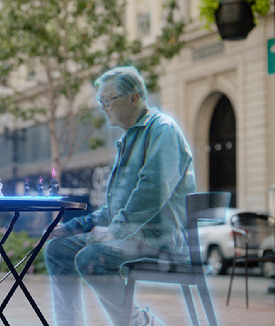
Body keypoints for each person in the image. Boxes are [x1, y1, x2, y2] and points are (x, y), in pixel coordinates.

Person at [44, 66, 196, 326]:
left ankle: (140, 323)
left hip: (160, 240)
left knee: (91, 258)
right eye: (100, 101)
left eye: (107, 100)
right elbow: (111, 209)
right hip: (132, 236)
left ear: (133, 97)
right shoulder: (130, 140)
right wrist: (70, 228)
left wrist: (115, 230)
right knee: (57, 249)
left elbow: (153, 190)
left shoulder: (163, 130)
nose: (103, 107)